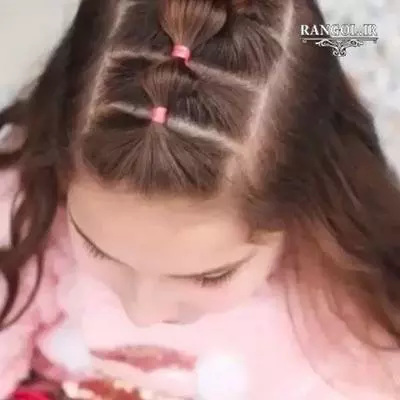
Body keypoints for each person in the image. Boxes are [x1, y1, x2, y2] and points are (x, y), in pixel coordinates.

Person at [0, 0, 399, 399]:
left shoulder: (353, 316)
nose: (143, 313)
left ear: (300, 208)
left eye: (208, 277)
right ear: (59, 164)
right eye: (97, 250)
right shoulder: (25, 209)